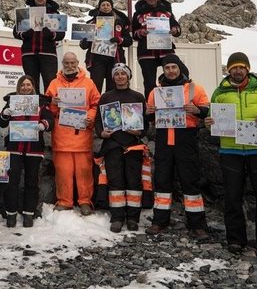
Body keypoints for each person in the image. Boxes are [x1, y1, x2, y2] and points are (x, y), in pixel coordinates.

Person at [205, 52, 257, 261]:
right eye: (234, 68)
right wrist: (208, 122)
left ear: (247, 69)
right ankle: (236, 240)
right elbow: (211, 118)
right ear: (228, 70)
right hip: (230, 151)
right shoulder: (219, 91)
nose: (238, 71)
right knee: (232, 196)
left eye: (241, 67)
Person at [145, 54, 210, 239]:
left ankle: (197, 225)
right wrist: (149, 112)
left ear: (180, 68)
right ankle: (160, 221)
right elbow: (149, 117)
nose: (171, 71)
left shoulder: (195, 88)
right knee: (162, 180)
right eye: (167, 68)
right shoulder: (155, 92)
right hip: (164, 138)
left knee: (190, 180)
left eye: (174, 67)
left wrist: (197, 110)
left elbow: (207, 111)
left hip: (186, 138)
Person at [93, 64, 148, 232]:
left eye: (123, 73)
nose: (120, 77)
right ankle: (117, 218)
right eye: (117, 74)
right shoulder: (106, 97)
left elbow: (145, 123)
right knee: (115, 181)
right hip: (112, 146)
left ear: (128, 76)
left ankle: (133, 218)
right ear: (113, 77)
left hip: (133, 145)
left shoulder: (138, 97)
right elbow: (98, 121)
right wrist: (102, 133)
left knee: (134, 182)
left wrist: (140, 131)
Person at [45, 53, 101, 215]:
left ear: (77, 63)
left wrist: (90, 117)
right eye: (66, 63)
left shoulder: (89, 83)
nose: (69, 66)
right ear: (62, 64)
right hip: (61, 138)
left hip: (82, 137)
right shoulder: (54, 84)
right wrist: (52, 104)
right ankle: (64, 201)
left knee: (84, 172)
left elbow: (96, 104)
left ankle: (85, 201)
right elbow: (46, 110)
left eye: (72, 63)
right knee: (63, 172)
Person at [0, 75, 53, 227]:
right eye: (22, 85)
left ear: (33, 86)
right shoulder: (11, 101)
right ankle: (11, 214)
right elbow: (0, 123)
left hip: (34, 149)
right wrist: (4, 114)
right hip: (14, 148)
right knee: (11, 182)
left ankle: (29, 213)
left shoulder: (41, 103)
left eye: (28, 84)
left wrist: (43, 124)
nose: (25, 87)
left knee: (32, 182)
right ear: (18, 87)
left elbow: (50, 120)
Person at [131, 0, 182, 99]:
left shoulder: (167, 12)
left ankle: (175, 102)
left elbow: (177, 28)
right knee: (149, 83)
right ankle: (151, 106)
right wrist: (141, 32)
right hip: (146, 53)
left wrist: (175, 30)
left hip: (166, 51)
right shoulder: (138, 14)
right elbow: (133, 34)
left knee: (179, 74)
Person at [14, 0, 65, 93]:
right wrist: (26, 34)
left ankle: (49, 104)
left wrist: (51, 34)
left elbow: (61, 34)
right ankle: (33, 104)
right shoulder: (25, 13)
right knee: (31, 85)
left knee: (50, 84)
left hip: (48, 54)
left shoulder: (54, 14)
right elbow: (16, 32)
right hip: (29, 55)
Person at [80, 0, 133, 93]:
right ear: (99, 7)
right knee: (95, 87)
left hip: (114, 59)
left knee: (112, 88)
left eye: (108, 5)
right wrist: (85, 42)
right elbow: (83, 45)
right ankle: (95, 103)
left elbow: (129, 40)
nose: (105, 7)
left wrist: (119, 39)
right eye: (103, 5)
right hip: (96, 59)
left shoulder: (120, 23)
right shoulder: (91, 23)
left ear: (111, 7)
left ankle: (111, 103)